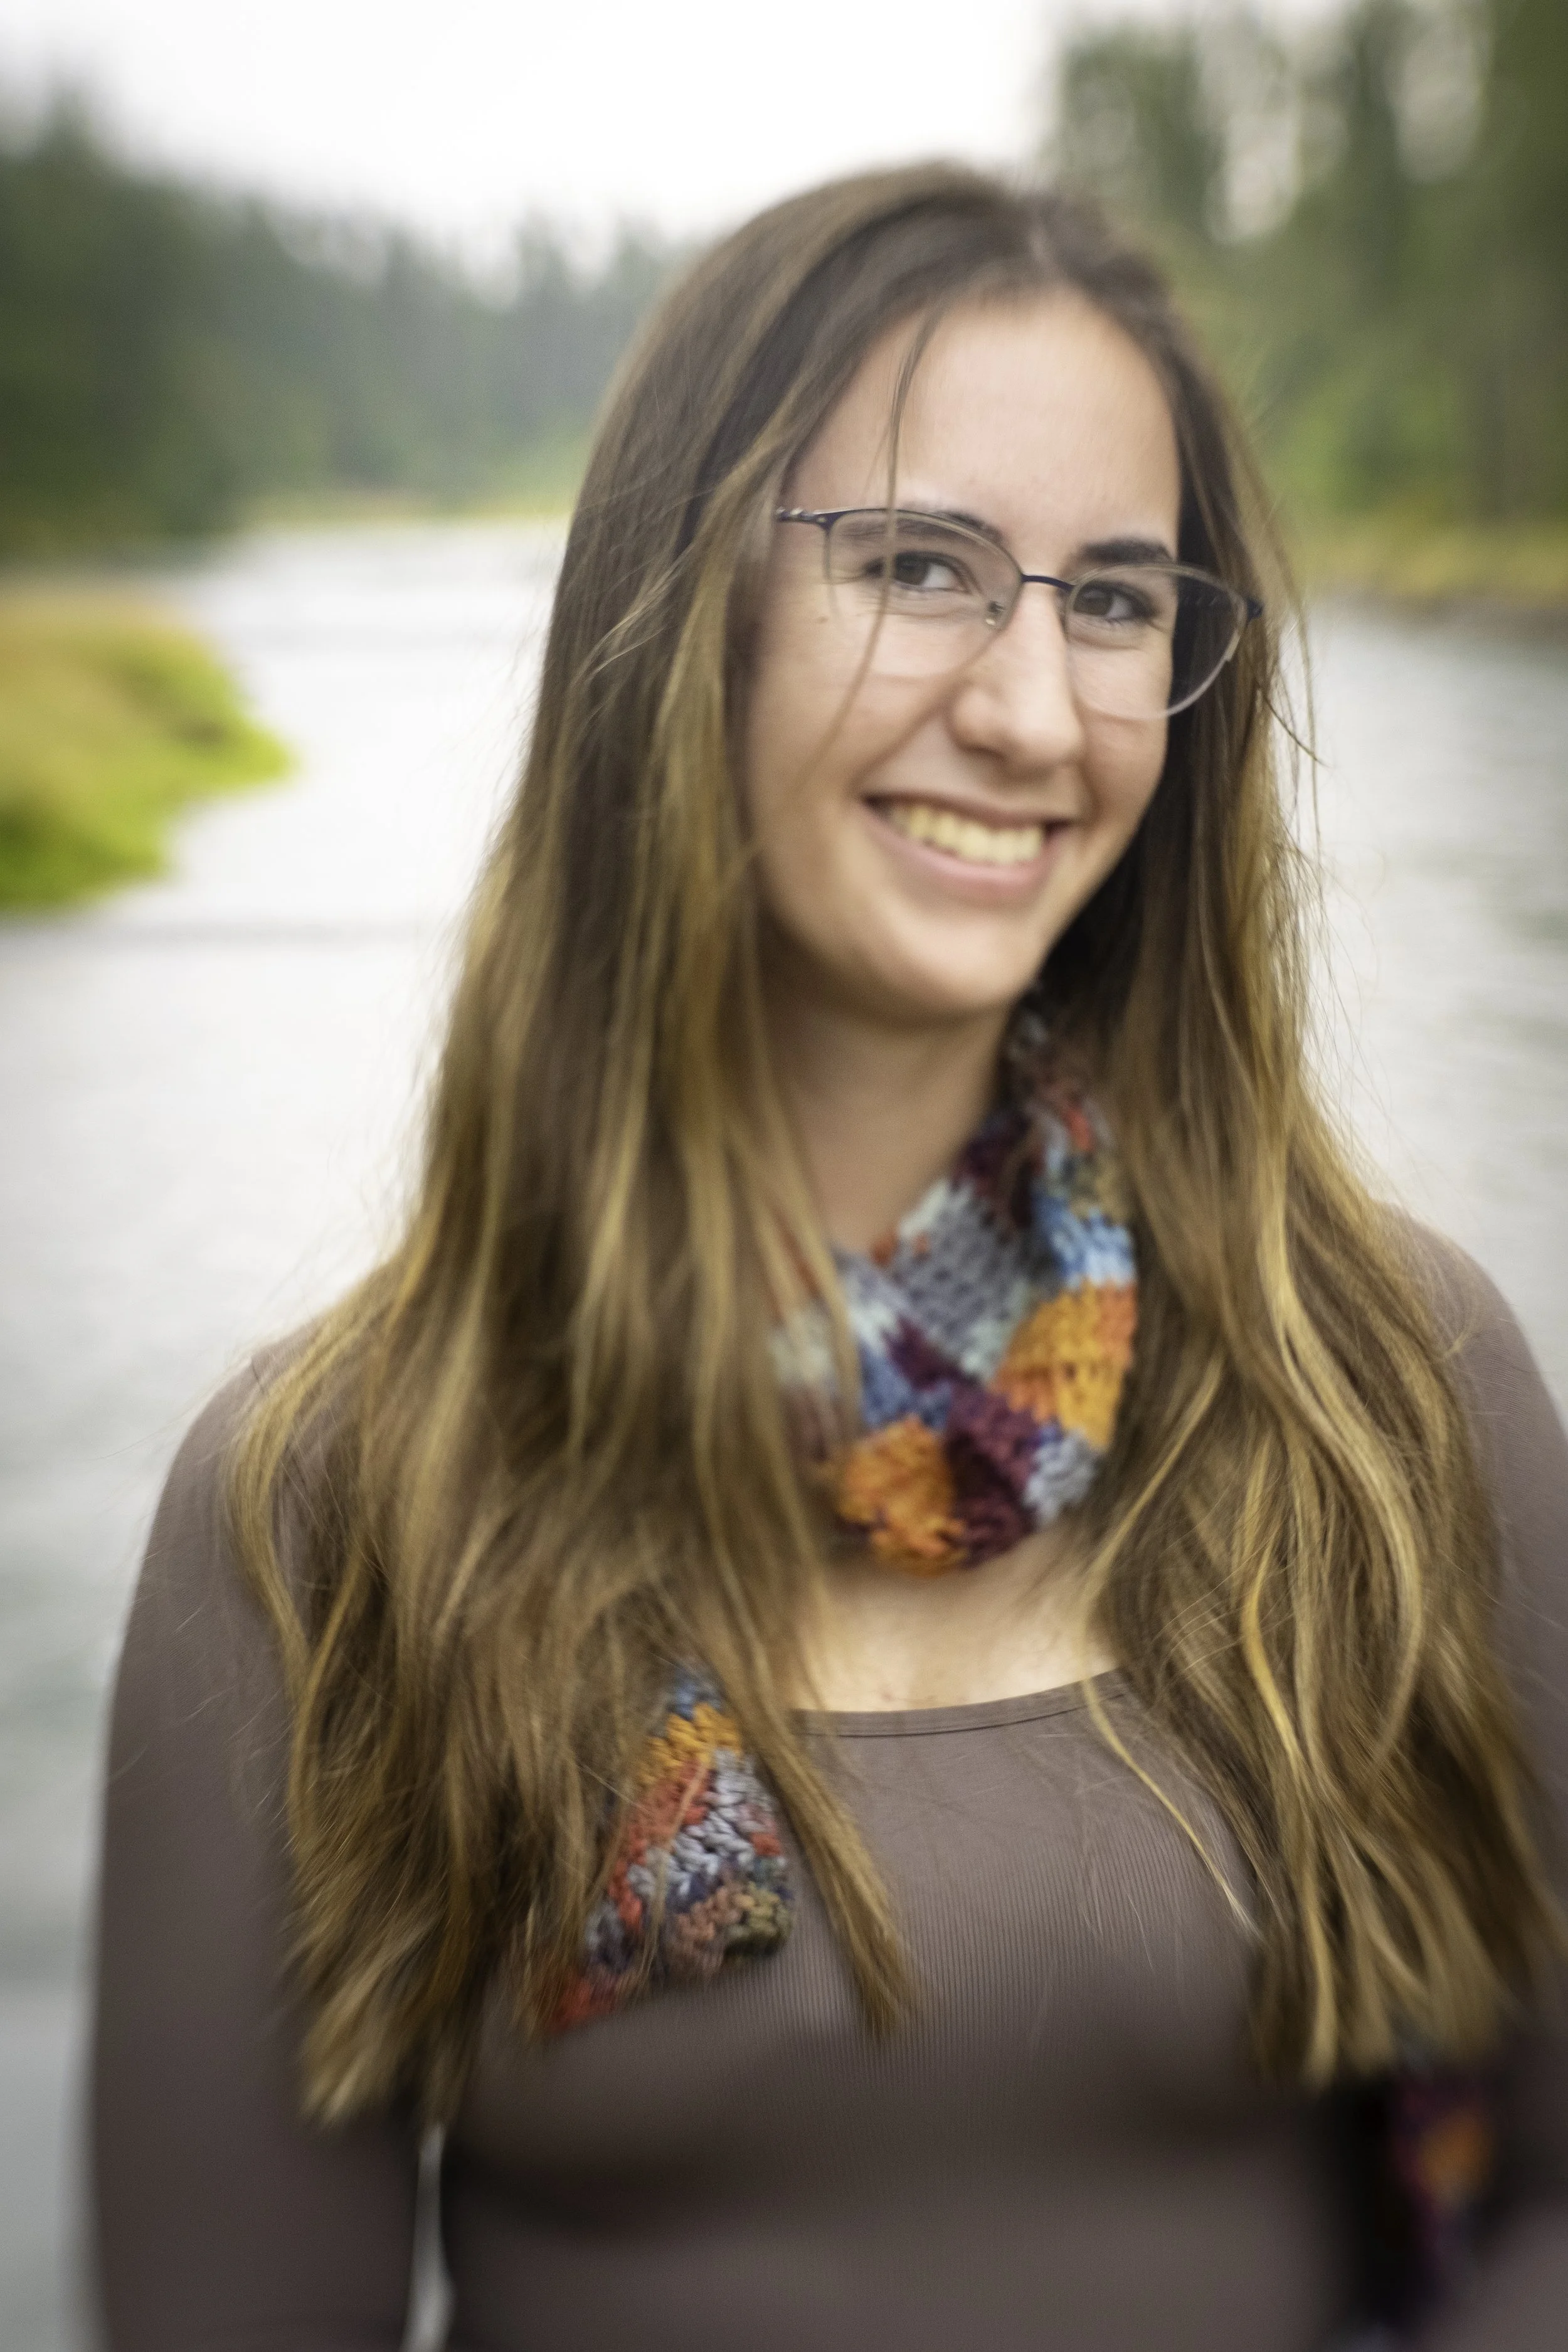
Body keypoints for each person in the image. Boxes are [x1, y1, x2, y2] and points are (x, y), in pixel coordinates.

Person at [91, 166, 1567, 2351]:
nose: (1033, 711)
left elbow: (1547, 2202)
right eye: (916, 567)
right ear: (688, 606)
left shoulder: (1384, 1385)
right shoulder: (336, 1501)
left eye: (1115, 599)